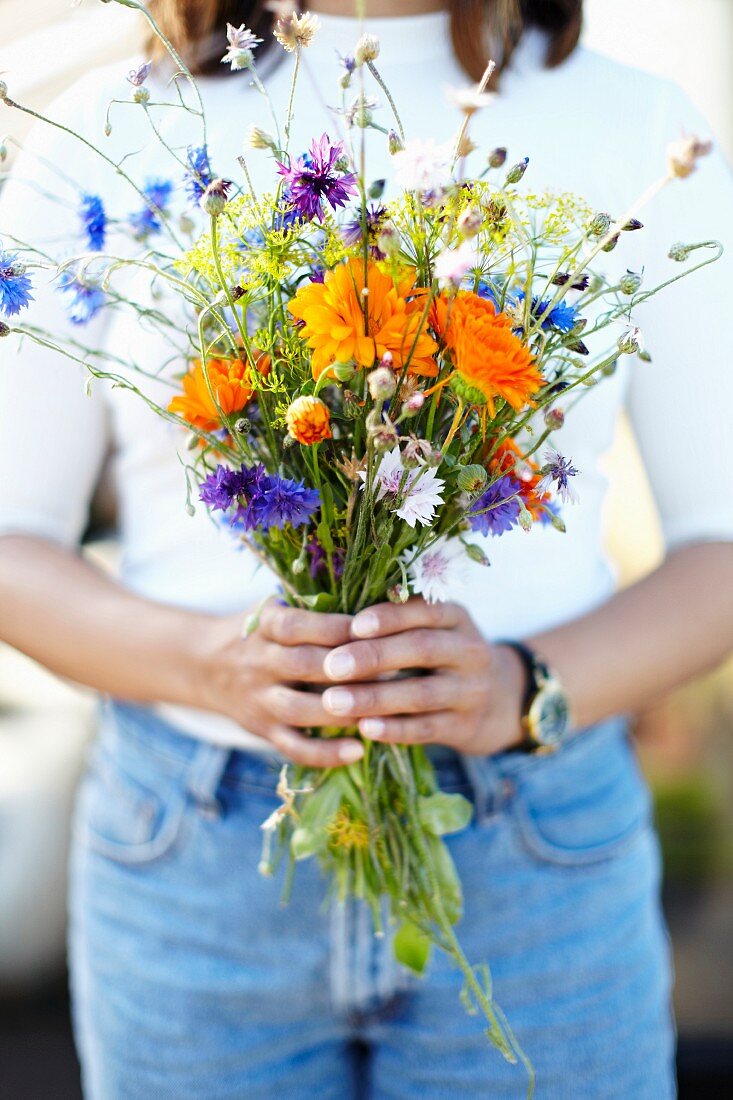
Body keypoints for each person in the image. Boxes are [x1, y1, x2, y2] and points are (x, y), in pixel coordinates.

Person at [1, 1, 732, 1096]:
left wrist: (522, 688)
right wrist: (211, 665)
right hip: (195, 850)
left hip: (535, 842)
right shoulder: (113, 129)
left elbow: (718, 547)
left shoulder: (638, 130)